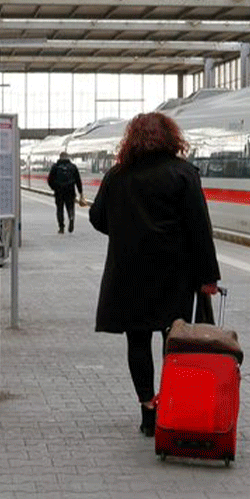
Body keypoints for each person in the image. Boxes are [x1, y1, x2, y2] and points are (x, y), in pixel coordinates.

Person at [88, 111, 220, 438]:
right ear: (171, 137)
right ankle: (174, 404)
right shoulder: (183, 173)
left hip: (130, 272)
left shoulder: (118, 175)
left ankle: (148, 410)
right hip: (176, 273)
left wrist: (127, 231)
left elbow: (97, 217)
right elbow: (199, 229)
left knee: (137, 340)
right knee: (175, 339)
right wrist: (208, 277)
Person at [47, 152, 85, 234]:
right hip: (70, 191)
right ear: (68, 158)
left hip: (59, 192)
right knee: (70, 207)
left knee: (59, 209)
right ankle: (71, 217)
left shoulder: (55, 167)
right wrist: (80, 192)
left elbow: (49, 180)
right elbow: (78, 180)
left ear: (60, 157)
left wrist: (54, 188)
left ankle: (61, 227)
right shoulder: (73, 167)